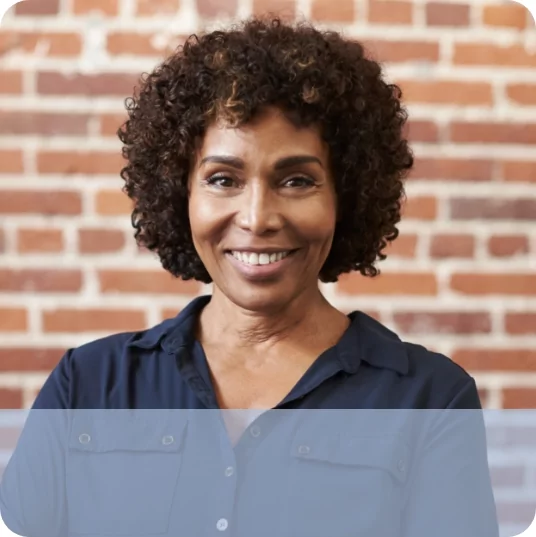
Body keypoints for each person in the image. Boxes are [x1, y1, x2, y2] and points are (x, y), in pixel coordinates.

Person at [0, 15, 499, 537]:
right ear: (180, 194)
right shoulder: (89, 386)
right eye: (223, 179)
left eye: (297, 180)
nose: (258, 217)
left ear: (345, 198)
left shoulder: (431, 400)